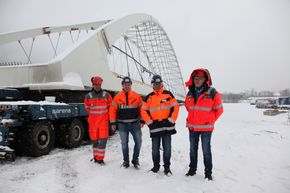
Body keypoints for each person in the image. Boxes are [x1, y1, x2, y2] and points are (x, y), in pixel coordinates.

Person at [184, 68, 223, 180]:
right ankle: (192, 170)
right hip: (192, 127)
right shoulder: (190, 92)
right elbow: (189, 107)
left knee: (206, 150)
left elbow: (219, 110)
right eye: (195, 78)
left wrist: (209, 121)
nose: (197, 80)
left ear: (205, 79)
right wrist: (194, 118)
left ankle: (208, 173)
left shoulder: (212, 92)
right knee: (192, 150)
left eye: (200, 78)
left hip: (206, 128)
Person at [141, 75, 180, 175]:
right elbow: (143, 111)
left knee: (167, 148)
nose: (157, 85)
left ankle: (167, 168)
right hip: (155, 128)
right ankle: (156, 167)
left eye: (158, 83)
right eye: (155, 84)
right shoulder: (149, 97)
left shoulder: (168, 95)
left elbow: (176, 107)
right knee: (155, 149)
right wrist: (149, 122)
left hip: (167, 127)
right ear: (153, 84)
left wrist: (171, 120)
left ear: (161, 83)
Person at [109, 76, 144, 168]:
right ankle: (126, 161)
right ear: (122, 85)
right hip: (122, 124)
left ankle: (135, 159)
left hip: (134, 124)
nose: (127, 86)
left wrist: (142, 120)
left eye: (128, 84)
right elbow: (112, 110)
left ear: (131, 85)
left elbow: (142, 109)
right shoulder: (117, 97)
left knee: (139, 141)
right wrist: (113, 123)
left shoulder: (137, 96)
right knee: (124, 143)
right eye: (125, 84)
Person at [84, 76, 112, 165]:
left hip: (103, 122)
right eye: (96, 85)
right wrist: (93, 116)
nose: (97, 86)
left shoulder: (106, 95)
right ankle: (96, 157)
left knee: (102, 142)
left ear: (101, 84)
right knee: (94, 141)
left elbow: (110, 107)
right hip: (93, 123)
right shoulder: (88, 96)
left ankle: (100, 159)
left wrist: (107, 117)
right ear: (93, 85)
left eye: (99, 85)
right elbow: (87, 107)